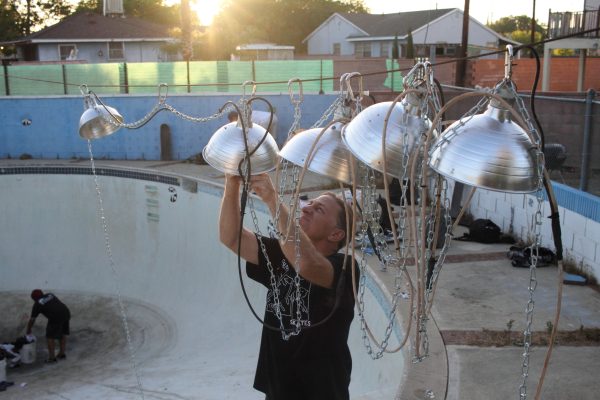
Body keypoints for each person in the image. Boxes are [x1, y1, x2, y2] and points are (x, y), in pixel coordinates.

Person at [219, 173, 358, 400]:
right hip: (277, 391)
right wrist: (231, 181)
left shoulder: (345, 268)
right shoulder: (280, 254)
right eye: (309, 203)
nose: (306, 209)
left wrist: (273, 199)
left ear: (336, 234)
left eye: (319, 209)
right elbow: (231, 237)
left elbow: (307, 263)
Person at [26, 289, 71, 363]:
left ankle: (52, 358)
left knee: (50, 337)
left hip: (55, 317)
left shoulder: (37, 304)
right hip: (66, 312)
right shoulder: (50, 295)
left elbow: (32, 319)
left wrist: (28, 329)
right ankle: (62, 354)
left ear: (34, 298)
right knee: (62, 333)